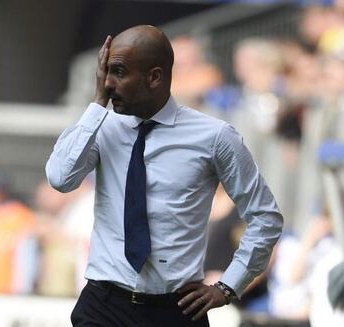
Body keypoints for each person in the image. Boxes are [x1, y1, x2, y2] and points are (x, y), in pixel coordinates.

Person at [46, 25, 283, 327]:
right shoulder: (101, 125)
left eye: (118, 71)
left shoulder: (214, 137)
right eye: (105, 71)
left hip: (176, 310)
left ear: (154, 77)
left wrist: (228, 286)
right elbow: (60, 178)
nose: (107, 82)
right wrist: (96, 104)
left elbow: (265, 217)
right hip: (103, 305)